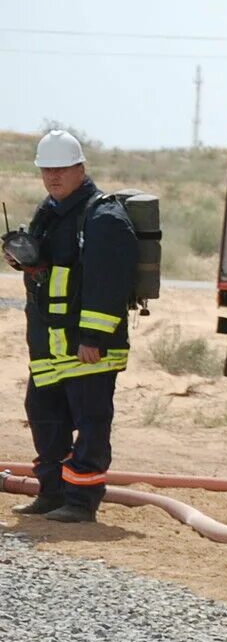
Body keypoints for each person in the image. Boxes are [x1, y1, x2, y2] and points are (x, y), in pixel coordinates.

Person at [7, 131, 138, 523]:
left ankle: (81, 502)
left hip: (87, 348)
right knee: (45, 416)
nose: (52, 176)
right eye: (46, 169)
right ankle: (52, 492)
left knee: (91, 423)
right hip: (49, 345)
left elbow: (108, 283)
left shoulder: (102, 217)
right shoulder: (49, 212)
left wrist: (93, 337)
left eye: (61, 168)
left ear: (81, 168)